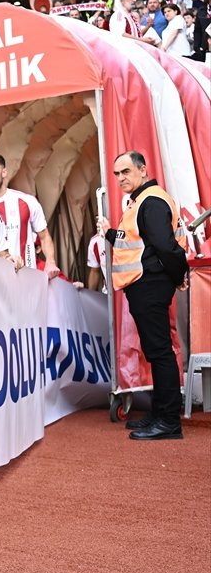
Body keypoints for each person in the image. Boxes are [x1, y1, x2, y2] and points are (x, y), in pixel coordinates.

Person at [99, 151, 189, 440]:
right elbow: (139, 241)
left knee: (160, 351)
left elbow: (165, 246)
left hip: (150, 283)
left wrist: (178, 275)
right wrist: (111, 233)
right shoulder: (142, 202)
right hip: (145, 282)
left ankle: (168, 421)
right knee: (156, 351)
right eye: (117, 174)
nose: (121, 178)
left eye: (126, 171)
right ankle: (161, 412)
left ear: (142, 169)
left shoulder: (150, 200)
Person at [0, 152, 61, 277]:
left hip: (27, 276)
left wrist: (50, 262)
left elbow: (44, 236)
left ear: (4, 172)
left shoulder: (27, 201)